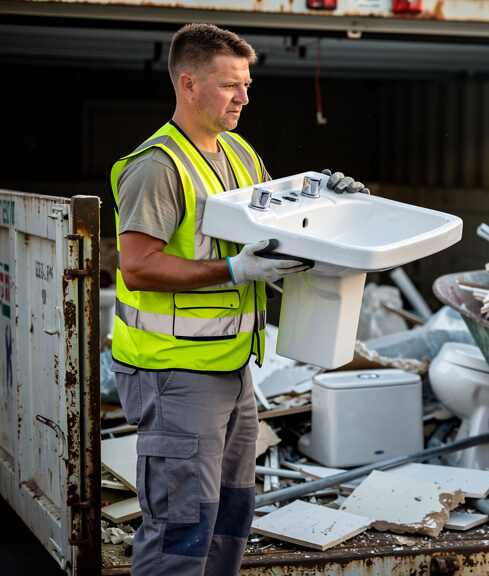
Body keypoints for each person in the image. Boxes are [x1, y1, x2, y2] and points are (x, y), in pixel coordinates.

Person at [110, 23, 351, 575]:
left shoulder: (238, 151)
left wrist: (331, 198)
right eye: (229, 86)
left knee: (229, 521)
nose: (244, 96)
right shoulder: (157, 167)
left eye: (246, 84)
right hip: (175, 373)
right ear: (189, 85)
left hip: (233, 368)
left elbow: (284, 223)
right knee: (181, 532)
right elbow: (137, 265)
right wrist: (236, 269)